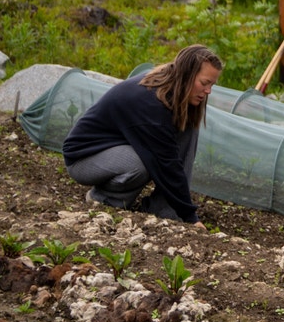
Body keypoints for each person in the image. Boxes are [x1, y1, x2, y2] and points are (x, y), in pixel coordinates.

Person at [62, 45, 222, 224]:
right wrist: (190, 216)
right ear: (186, 74)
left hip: (117, 147)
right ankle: (104, 199)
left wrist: (181, 211)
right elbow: (167, 163)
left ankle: (165, 209)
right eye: (204, 83)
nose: (208, 91)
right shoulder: (151, 103)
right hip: (84, 158)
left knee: (188, 128)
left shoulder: (173, 90)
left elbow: (174, 161)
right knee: (142, 163)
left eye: (212, 85)